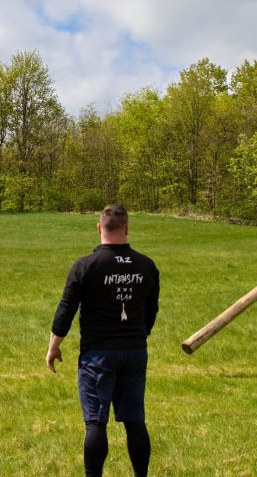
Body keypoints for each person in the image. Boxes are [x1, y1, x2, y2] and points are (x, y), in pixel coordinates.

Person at [47, 204, 160, 477]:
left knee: (96, 423)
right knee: (135, 421)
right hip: (134, 352)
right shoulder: (146, 265)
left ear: (99, 228)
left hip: (97, 354)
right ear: (127, 229)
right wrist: (138, 336)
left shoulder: (85, 266)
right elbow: (151, 310)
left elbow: (66, 310)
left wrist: (54, 346)